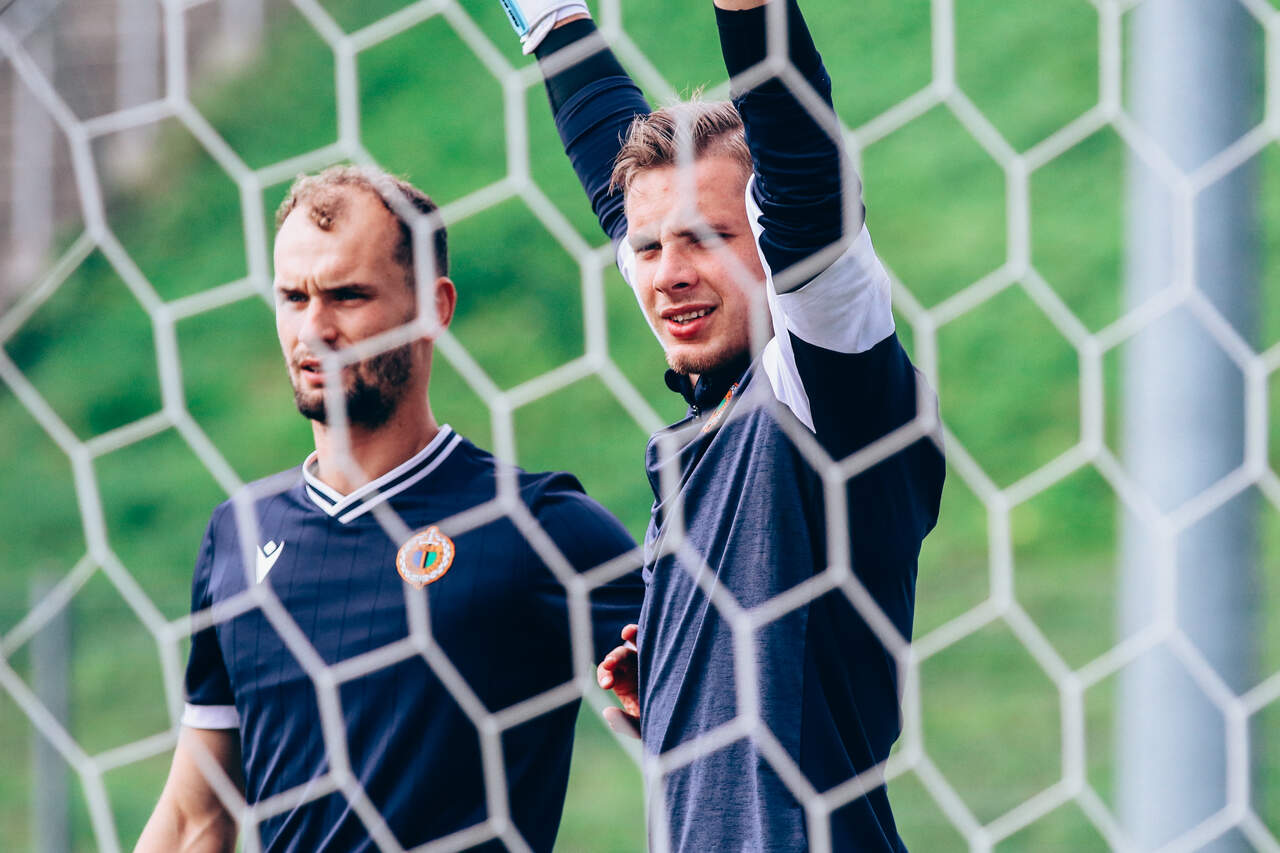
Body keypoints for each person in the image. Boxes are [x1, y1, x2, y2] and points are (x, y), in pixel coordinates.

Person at [505, 0, 947, 848]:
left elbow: (805, 182)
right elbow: (624, 199)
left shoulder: (825, 391)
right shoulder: (709, 419)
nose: (669, 274)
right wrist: (691, 685)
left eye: (709, 237)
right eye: (648, 249)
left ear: (771, 248)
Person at [134, 166, 645, 852]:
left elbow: (725, 697)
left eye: (347, 295)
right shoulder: (238, 534)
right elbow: (196, 819)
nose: (314, 328)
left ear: (434, 306)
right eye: (293, 297)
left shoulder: (535, 523)